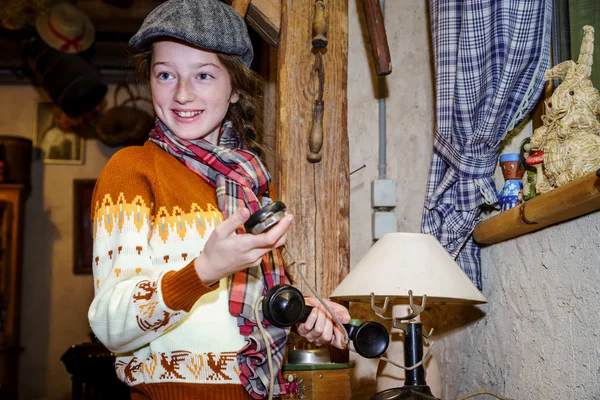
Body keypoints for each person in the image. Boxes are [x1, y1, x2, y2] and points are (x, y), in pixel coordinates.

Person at [87, 0, 351, 399]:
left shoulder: (251, 182)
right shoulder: (132, 170)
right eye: (165, 74)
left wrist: (302, 313)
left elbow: (248, 313)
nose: (181, 93)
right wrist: (204, 270)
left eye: (204, 75)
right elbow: (109, 325)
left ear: (234, 88)